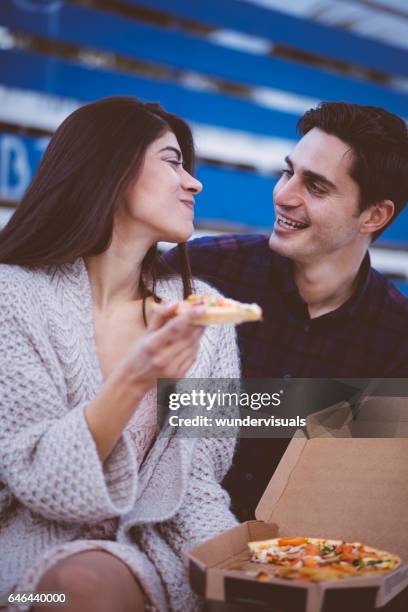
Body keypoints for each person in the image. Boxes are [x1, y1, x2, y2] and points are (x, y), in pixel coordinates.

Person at [0, 97, 240, 612]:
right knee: (81, 589)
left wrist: (245, 573)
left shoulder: (208, 318)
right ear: (110, 166)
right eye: (173, 162)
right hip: (29, 572)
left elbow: (196, 487)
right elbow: (37, 478)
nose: (193, 183)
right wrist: (138, 377)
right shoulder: (12, 296)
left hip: (157, 564)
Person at [164, 102, 408, 521]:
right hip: (165, 525)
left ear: (374, 215)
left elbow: (371, 488)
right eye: (287, 171)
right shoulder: (201, 270)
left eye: (315, 187)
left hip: (298, 559)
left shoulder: (396, 336)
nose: (283, 194)